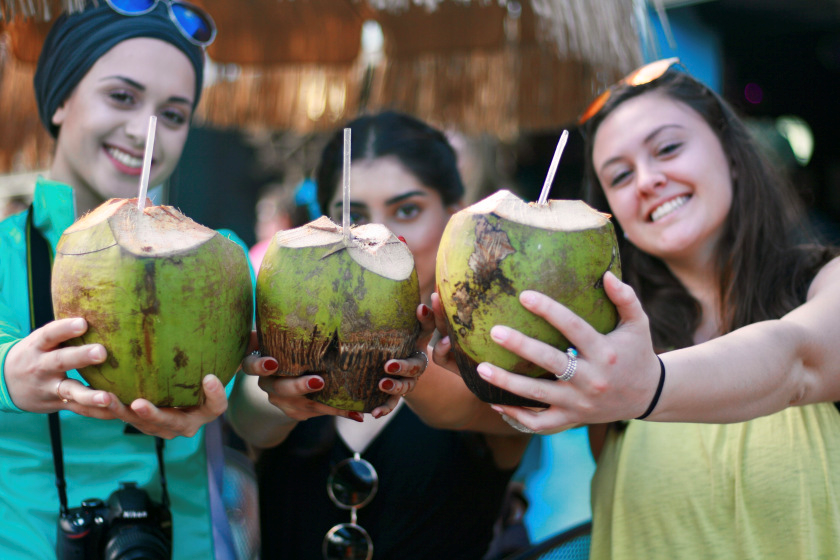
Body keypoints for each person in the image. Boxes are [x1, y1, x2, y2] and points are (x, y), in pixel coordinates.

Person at [432, 58, 840, 558]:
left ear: (732, 153)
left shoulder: (827, 283)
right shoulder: (600, 339)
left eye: (668, 148)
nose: (646, 181)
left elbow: (797, 360)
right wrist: (434, 361)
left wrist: (648, 386)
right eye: (620, 176)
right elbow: (464, 409)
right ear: (612, 215)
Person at [228, 111, 532, 559]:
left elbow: (472, 406)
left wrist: (398, 353)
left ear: (454, 218)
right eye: (350, 213)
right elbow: (249, 420)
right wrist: (274, 392)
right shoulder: (291, 339)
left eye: (407, 210)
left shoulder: (492, 356)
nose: (379, 234)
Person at [0, 2, 244, 558]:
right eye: (122, 97)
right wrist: (8, 376)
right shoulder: (3, 253)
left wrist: (288, 393)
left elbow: (256, 404)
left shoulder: (221, 257)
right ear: (61, 99)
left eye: (174, 114)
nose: (146, 131)